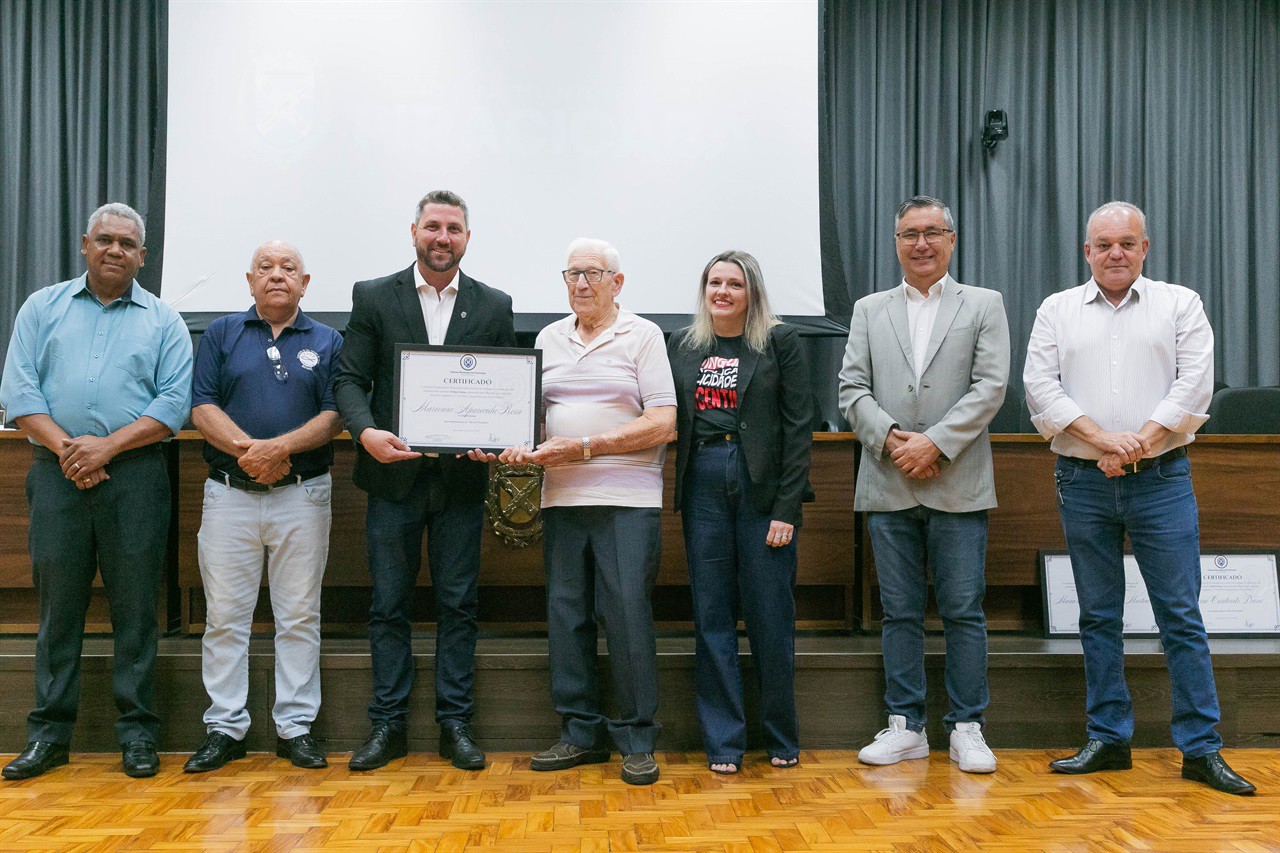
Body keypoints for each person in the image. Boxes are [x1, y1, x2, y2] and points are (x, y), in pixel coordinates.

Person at [1024, 201, 1255, 795]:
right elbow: (1040, 388)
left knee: (1180, 615)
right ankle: (1108, 738)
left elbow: (1194, 386)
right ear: (1087, 252)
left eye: (1127, 243)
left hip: (1162, 480)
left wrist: (1132, 447)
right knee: (1097, 615)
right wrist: (1103, 441)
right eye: (1103, 245)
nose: (1115, 254)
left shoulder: (1180, 303)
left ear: (1145, 248)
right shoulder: (1056, 310)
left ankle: (1201, 749)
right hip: (1083, 482)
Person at [0, 203, 192, 779]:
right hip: (55, 475)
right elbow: (19, 392)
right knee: (58, 610)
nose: (115, 250)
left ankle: (137, 734)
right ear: (85, 244)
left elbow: (172, 404)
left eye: (127, 244)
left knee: (136, 610)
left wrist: (105, 449)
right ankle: (49, 736)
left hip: (136, 479)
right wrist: (72, 452)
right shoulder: (42, 307)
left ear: (142, 256)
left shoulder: (165, 321)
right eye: (105, 239)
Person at [333, 190, 516, 772]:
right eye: (433, 226)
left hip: (461, 483)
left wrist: (495, 438)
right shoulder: (373, 296)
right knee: (389, 605)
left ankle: (454, 724)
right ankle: (387, 725)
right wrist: (365, 433)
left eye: (454, 229)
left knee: (458, 604)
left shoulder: (494, 305)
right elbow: (349, 379)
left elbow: (503, 389)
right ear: (413, 231)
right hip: (393, 479)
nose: (443, 237)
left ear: (467, 238)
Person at [483, 238, 675, 786]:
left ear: (618, 282)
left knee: (627, 616)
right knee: (566, 615)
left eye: (592, 273)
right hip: (562, 498)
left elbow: (663, 422)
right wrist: (500, 440)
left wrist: (585, 447)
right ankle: (579, 733)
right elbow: (531, 420)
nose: (581, 283)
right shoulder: (548, 338)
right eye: (572, 274)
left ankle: (636, 739)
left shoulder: (643, 335)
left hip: (627, 501)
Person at [838, 196, 1009, 773]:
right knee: (899, 611)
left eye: (932, 232)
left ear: (951, 240)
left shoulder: (983, 304)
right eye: (909, 233)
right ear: (896, 242)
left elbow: (990, 387)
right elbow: (852, 389)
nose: (921, 243)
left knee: (963, 610)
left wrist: (934, 443)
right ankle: (906, 726)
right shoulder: (869, 309)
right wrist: (896, 442)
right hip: (889, 481)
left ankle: (967, 727)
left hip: (957, 480)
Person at [183, 241, 343, 772]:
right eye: (266, 268)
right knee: (225, 617)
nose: (277, 275)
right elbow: (201, 404)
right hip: (229, 494)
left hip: (303, 494)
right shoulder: (222, 333)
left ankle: (295, 728)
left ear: (305, 283)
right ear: (249, 280)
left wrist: (280, 450)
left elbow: (335, 414)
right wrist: (250, 452)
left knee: (299, 615)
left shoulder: (328, 340)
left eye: (289, 268)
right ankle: (225, 728)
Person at [667, 250, 813, 774]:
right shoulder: (683, 345)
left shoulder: (780, 341)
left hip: (761, 489)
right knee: (712, 616)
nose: (723, 292)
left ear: (752, 293)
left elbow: (798, 428)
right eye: (715, 283)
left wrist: (786, 509)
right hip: (703, 481)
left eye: (734, 284)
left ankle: (781, 736)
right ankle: (724, 743)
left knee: (770, 616)